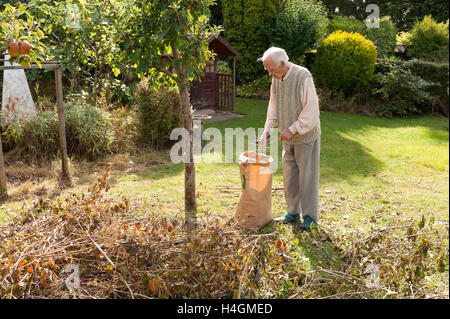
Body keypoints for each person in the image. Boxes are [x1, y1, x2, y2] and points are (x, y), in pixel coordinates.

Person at [257, 47, 321, 231]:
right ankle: (292, 213)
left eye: (271, 69)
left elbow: (311, 111)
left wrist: (293, 129)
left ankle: (310, 217)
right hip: (288, 139)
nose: (269, 73)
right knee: (290, 178)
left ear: (283, 64)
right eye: (267, 69)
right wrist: (267, 131)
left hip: (306, 137)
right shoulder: (276, 80)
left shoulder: (303, 76)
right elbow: (273, 108)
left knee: (307, 178)